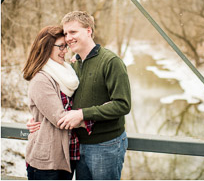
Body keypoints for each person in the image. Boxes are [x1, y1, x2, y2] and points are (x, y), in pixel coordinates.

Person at [30, 11, 132, 179]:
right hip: (76, 146)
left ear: (89, 31)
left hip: (105, 145)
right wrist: (36, 118)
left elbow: (123, 104)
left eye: (73, 32)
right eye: (66, 33)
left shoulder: (111, 62)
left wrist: (83, 114)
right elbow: (57, 101)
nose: (68, 37)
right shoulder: (71, 66)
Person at [23, 26, 91, 180]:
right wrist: (93, 118)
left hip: (68, 154)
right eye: (61, 46)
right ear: (46, 47)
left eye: (66, 46)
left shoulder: (66, 72)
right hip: (47, 162)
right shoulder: (41, 79)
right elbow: (60, 118)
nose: (65, 51)